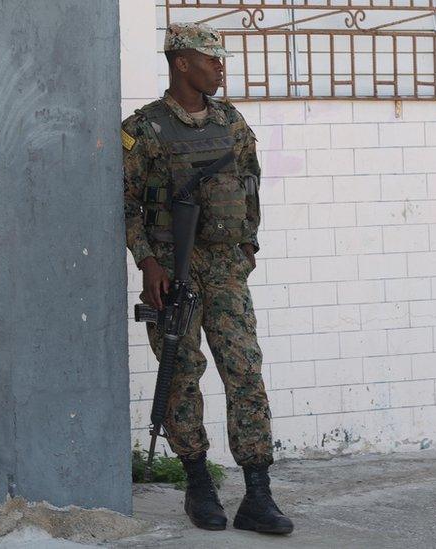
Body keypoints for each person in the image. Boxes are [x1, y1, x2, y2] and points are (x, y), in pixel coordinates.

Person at [122, 22, 293, 534]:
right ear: (181, 63)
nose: (220, 68)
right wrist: (148, 263)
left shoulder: (231, 122)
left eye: (220, 61)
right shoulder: (144, 129)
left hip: (224, 268)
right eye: (211, 60)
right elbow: (126, 203)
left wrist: (247, 245)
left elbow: (251, 183)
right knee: (181, 373)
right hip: (172, 270)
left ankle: (258, 495)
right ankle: (199, 488)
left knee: (245, 370)